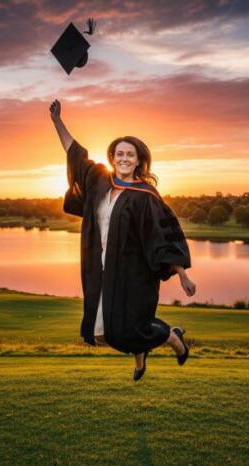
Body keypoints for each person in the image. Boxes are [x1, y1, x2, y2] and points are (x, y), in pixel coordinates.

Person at [49, 98, 197, 381]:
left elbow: (164, 234)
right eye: (119, 154)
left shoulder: (146, 196)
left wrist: (182, 274)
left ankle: (171, 337)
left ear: (138, 159)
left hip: (135, 273)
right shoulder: (99, 181)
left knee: (130, 327)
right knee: (103, 332)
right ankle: (142, 354)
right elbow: (74, 153)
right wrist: (57, 122)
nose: (124, 159)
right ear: (112, 157)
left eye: (130, 154)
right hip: (104, 269)